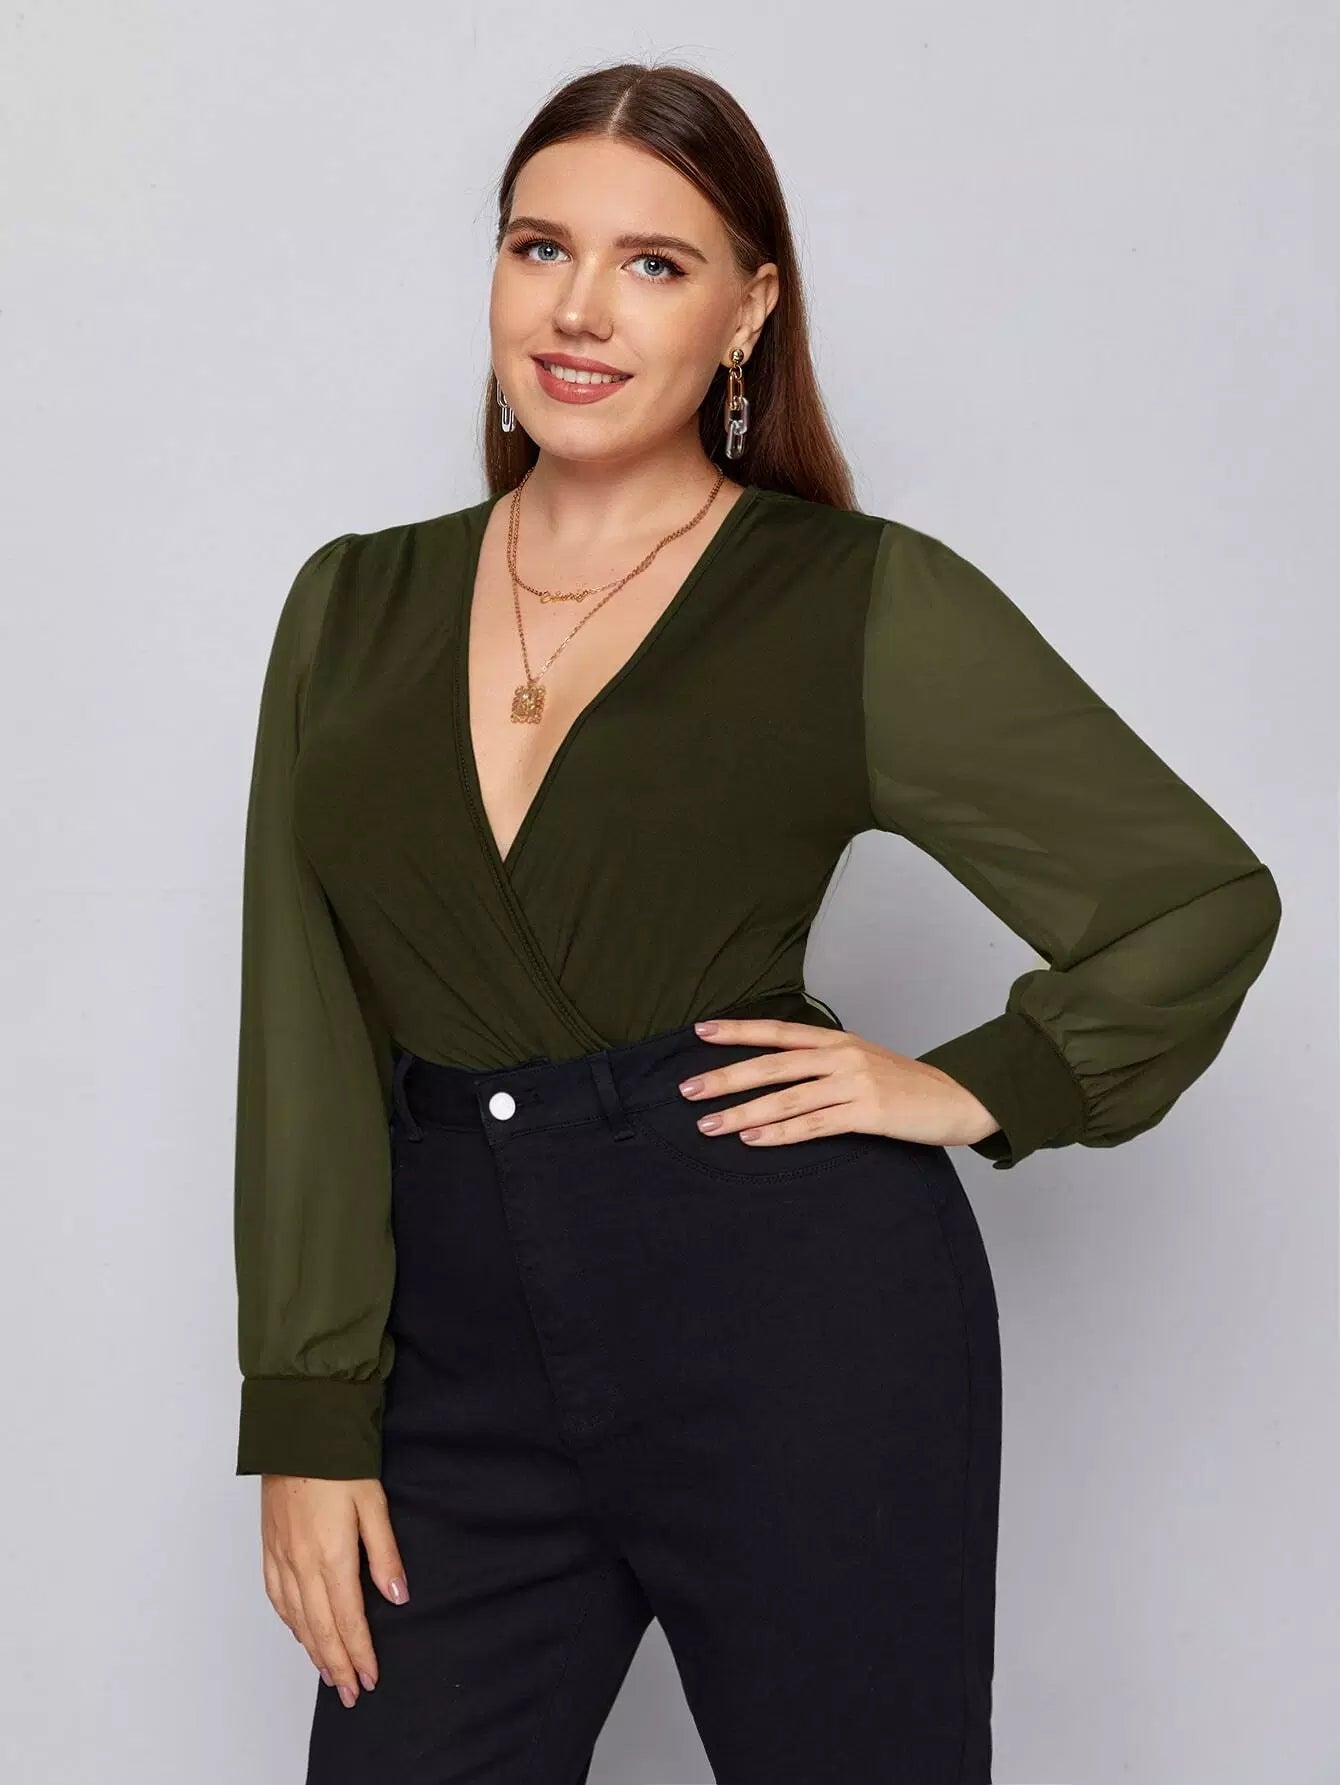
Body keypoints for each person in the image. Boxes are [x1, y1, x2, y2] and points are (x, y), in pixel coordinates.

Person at [232, 60, 1282, 1785]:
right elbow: (306, 1025)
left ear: (747, 311)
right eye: (539, 247)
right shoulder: (350, 606)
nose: (579, 309)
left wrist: (980, 1082)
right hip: (454, 1370)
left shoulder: (849, 602)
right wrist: (308, 1414)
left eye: (654, 263)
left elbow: (1192, 896)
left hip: (794, 1327)